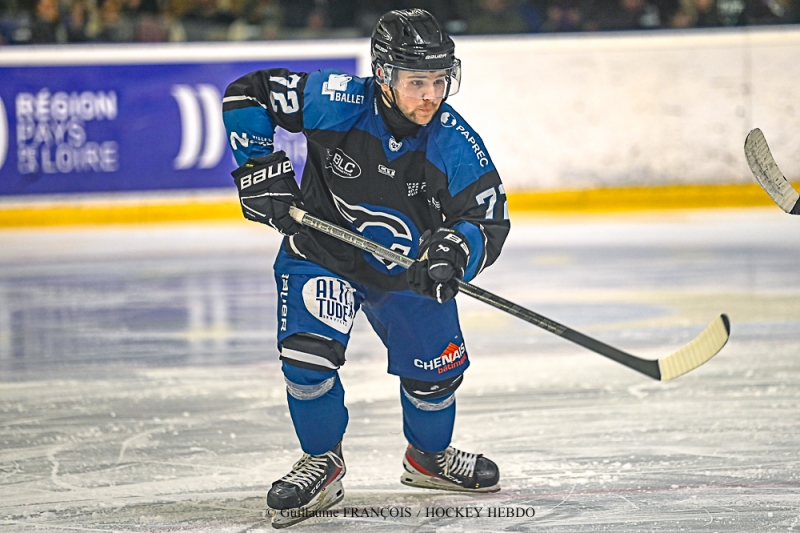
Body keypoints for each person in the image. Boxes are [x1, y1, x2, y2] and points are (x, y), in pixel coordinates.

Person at [222, 8, 510, 527]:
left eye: (440, 80)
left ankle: (428, 459)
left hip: (407, 270)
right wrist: (260, 167)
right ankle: (321, 462)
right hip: (321, 253)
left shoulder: (452, 139)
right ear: (382, 75)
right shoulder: (336, 101)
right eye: (417, 81)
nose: (432, 95)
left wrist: (452, 253)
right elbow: (249, 93)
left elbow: (487, 219)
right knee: (307, 361)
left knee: (435, 379)